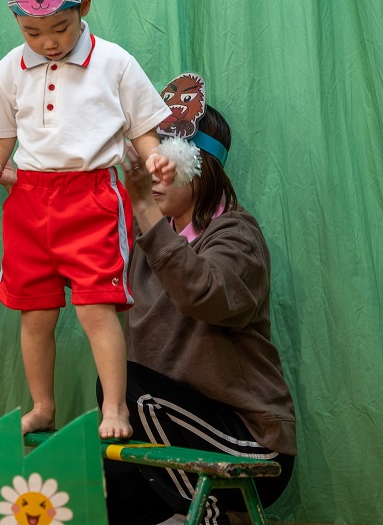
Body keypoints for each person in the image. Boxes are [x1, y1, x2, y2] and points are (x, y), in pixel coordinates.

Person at [0, 0, 178, 439]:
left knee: (95, 310)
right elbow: (1, 134)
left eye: (60, 27)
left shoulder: (114, 62)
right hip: (29, 202)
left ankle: (116, 408)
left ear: (83, 6)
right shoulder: (10, 68)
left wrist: (155, 156)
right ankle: (42, 406)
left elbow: (144, 127)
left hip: (92, 199)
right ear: (16, 19)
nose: (48, 41)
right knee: (35, 313)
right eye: (33, 30)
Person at [103, 74, 297, 525]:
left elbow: (204, 295)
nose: (152, 175)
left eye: (164, 163)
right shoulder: (145, 242)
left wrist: (145, 212)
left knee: (130, 391)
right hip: (171, 431)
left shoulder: (237, 235)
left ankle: (212, 517)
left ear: (199, 166)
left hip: (252, 441)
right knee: (107, 473)